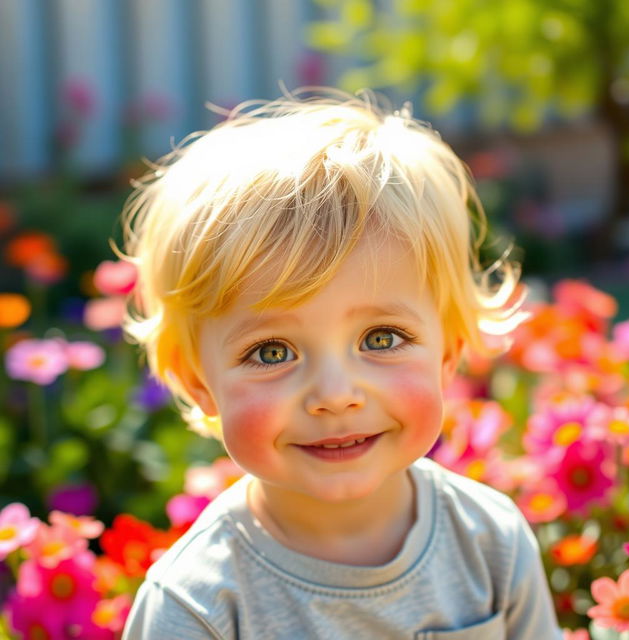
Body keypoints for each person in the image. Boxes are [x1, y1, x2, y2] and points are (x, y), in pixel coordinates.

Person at [120, 88, 562, 639]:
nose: (335, 393)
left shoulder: (490, 540)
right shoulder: (198, 605)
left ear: (447, 353)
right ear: (198, 383)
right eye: (272, 352)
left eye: (381, 338)